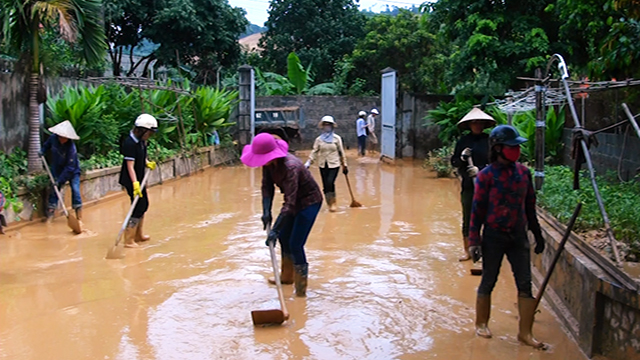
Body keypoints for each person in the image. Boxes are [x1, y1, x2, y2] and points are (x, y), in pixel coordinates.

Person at [468, 124, 546, 349]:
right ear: (499, 148)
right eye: (511, 146)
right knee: (489, 280)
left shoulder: (523, 173)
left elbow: (530, 206)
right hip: (493, 237)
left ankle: (525, 333)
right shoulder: (486, 176)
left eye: (517, 147)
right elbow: (477, 210)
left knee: (525, 283)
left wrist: (537, 233)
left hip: (518, 236)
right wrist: (474, 241)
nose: (516, 151)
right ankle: (481, 323)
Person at [241, 133, 323, 297]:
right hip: (293, 202)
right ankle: (286, 277)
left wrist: (275, 229)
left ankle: (301, 290)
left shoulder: (290, 167)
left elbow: (290, 203)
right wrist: (266, 212)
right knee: (284, 237)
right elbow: (267, 188)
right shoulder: (269, 164)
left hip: (309, 202)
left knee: (295, 243)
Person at [450, 108, 496, 261]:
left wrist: (481, 170)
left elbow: (496, 164)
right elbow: (454, 162)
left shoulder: (490, 141)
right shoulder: (463, 142)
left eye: (480, 123)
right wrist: (463, 158)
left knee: (487, 219)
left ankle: (484, 251)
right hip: (469, 187)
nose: (477, 125)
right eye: (474, 123)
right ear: (469, 125)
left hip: (488, 187)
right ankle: (468, 251)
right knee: (468, 218)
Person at [119, 114, 158, 248]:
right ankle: (129, 239)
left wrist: (147, 163)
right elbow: (130, 166)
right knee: (138, 206)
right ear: (142, 130)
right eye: (149, 132)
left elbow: (141, 155)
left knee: (143, 204)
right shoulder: (129, 143)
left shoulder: (141, 141)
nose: (150, 135)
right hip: (131, 179)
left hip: (140, 177)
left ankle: (138, 235)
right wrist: (135, 184)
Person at [39, 120, 82, 221]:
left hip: (72, 171)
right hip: (57, 168)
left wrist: (60, 180)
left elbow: (69, 168)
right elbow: (47, 145)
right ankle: (50, 214)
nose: (61, 139)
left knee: (75, 190)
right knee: (54, 189)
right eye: (60, 136)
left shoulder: (71, 148)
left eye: (64, 137)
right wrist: (42, 151)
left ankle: (78, 215)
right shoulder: (53, 138)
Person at [305, 116, 348, 212]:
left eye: (329, 124)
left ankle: (333, 202)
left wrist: (344, 165)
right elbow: (314, 151)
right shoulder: (319, 140)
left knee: (330, 182)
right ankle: (329, 203)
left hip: (334, 164)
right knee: (325, 185)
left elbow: (341, 152)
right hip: (323, 164)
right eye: (325, 124)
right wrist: (308, 162)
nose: (327, 126)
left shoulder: (337, 139)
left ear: (332, 126)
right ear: (323, 126)